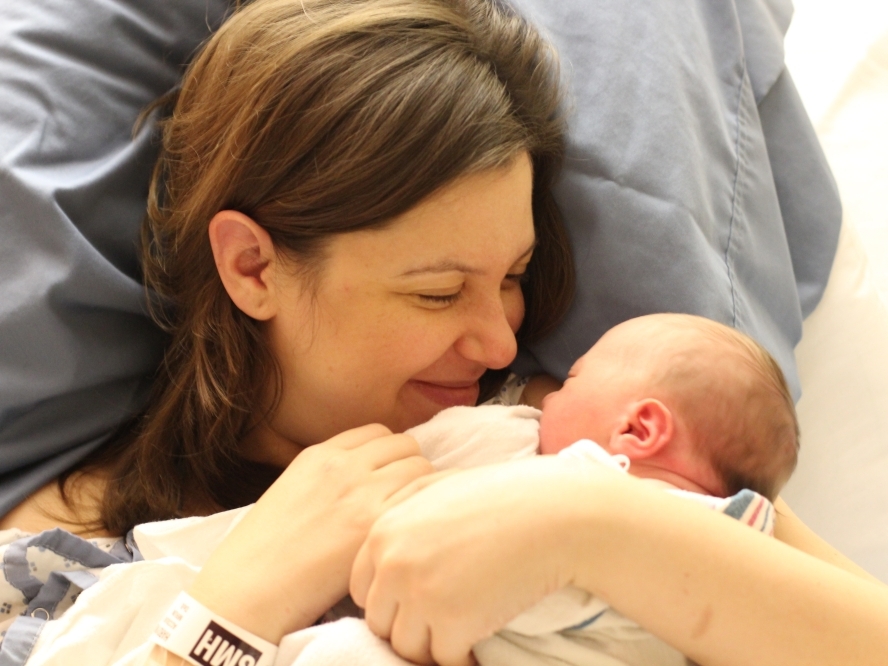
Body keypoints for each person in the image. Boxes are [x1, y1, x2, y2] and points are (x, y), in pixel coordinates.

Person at [1, 2, 887, 666]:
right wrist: (235, 603)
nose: (499, 344)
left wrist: (586, 524)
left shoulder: (569, 435)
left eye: (512, 278)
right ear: (253, 267)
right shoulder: (76, 534)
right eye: (436, 293)